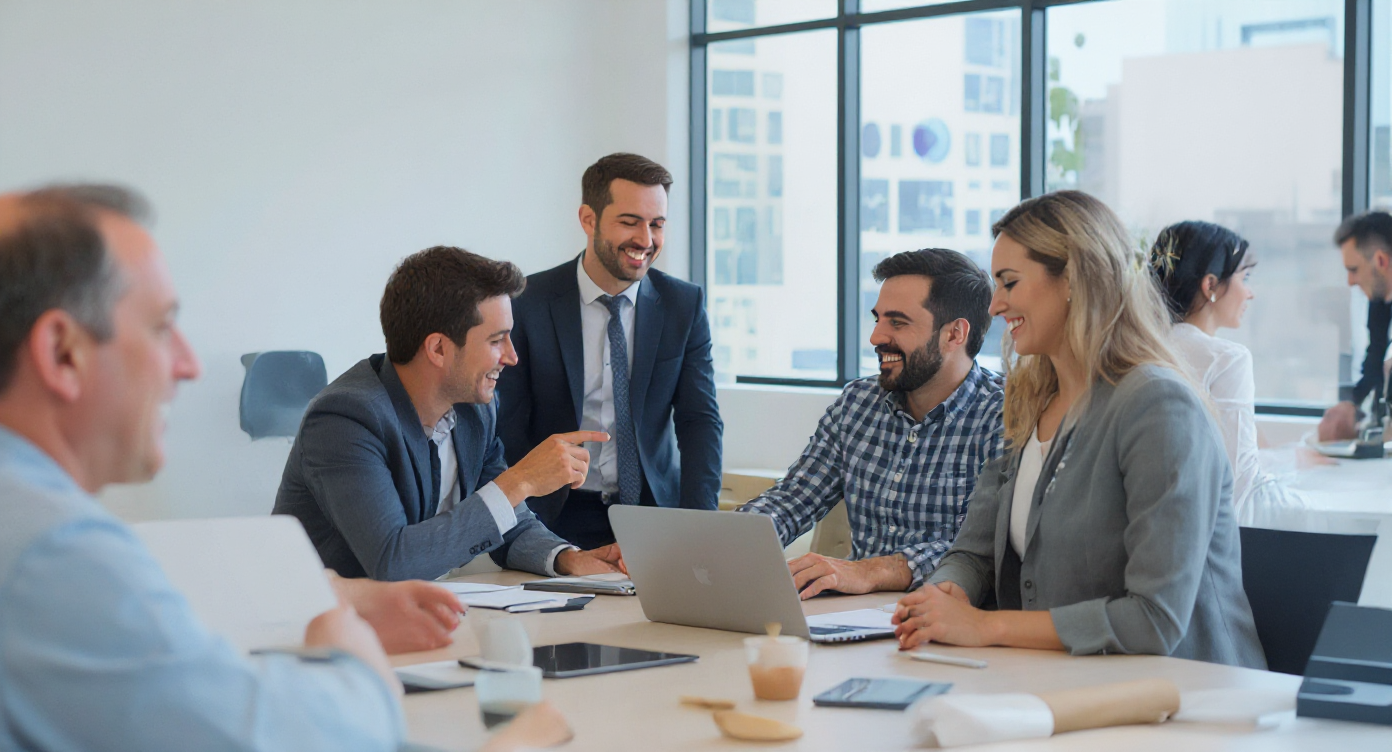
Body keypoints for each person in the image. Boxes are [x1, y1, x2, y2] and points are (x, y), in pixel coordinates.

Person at [0, 185, 419, 750]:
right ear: (62, 352)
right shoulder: (51, 550)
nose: (189, 365)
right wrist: (355, 668)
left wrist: (328, 594)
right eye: (160, 327)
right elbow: (248, 737)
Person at [893, 191, 1264, 669]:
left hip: (1187, 697)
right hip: (1071, 680)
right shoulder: (1033, 401)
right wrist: (943, 596)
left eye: (1009, 282)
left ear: (1072, 277)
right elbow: (976, 552)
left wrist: (987, 627)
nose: (995, 304)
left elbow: (1154, 619)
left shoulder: (1159, 406)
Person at [275, 246, 627, 581]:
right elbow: (392, 561)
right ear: (439, 349)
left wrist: (569, 559)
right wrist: (521, 480)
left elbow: (508, 520)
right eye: (496, 340)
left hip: (413, 621)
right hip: (317, 630)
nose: (511, 356)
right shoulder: (345, 419)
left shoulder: (477, 412)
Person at [737, 249, 1004, 600]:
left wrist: (873, 570)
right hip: (849, 621)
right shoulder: (857, 403)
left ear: (955, 334)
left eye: (897, 322)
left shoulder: (1005, 415)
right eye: (877, 319)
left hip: (952, 625)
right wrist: (715, 543)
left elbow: (985, 550)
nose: (875, 337)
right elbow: (792, 500)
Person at [497, 153, 722, 548]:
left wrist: (700, 528)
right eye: (629, 221)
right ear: (588, 219)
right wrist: (514, 523)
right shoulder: (527, 303)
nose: (646, 240)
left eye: (657, 224)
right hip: (552, 515)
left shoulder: (683, 306)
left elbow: (699, 421)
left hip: (653, 515)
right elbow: (505, 426)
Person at [1149, 220, 1306, 527]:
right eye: (1245, 278)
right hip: (1208, 538)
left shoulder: (1141, 347)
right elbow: (1239, 486)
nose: (1250, 293)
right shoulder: (1226, 360)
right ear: (1210, 285)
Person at [1321, 211, 1392, 440]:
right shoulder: (1379, 301)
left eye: (1354, 270)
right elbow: (1375, 356)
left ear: (1381, 261)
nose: (1350, 282)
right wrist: (1352, 403)